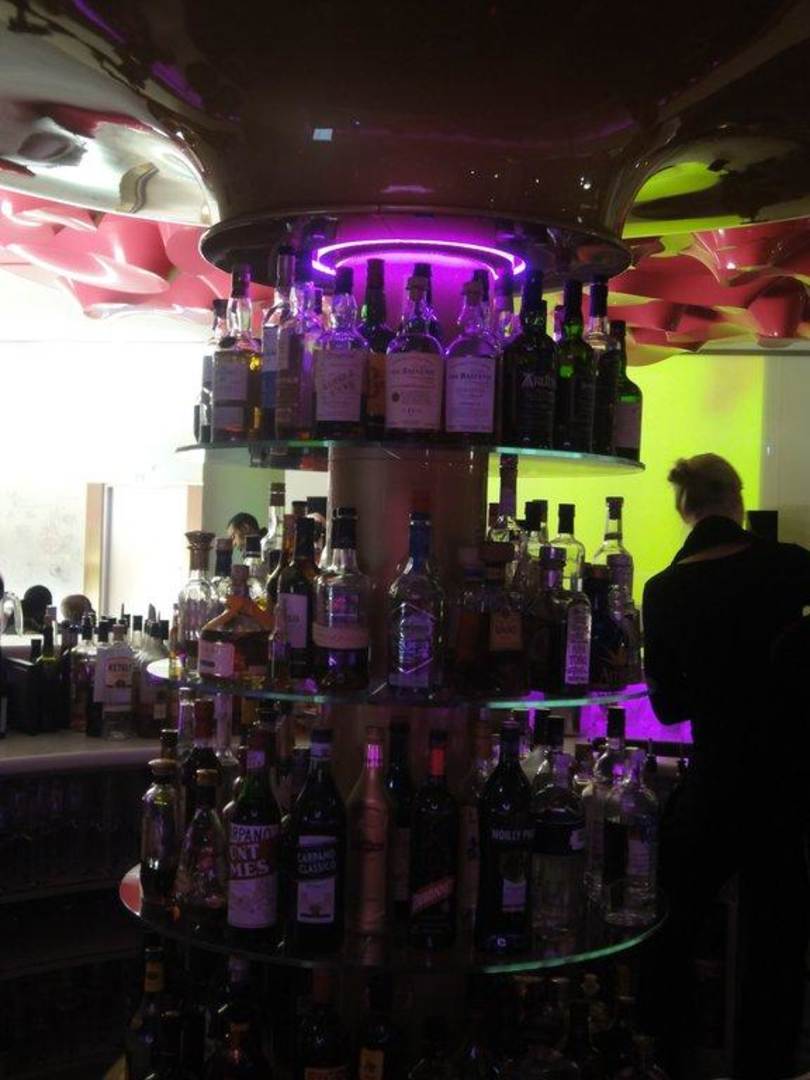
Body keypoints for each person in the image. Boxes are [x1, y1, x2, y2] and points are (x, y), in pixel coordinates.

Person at [640, 453, 810, 1079]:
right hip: (786, 785)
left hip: (714, 783)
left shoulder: (663, 590)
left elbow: (668, 706)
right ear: (737, 501)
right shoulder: (791, 565)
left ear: (684, 510)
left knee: (670, 924)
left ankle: (665, 1057)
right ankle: (767, 1065)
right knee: (777, 943)